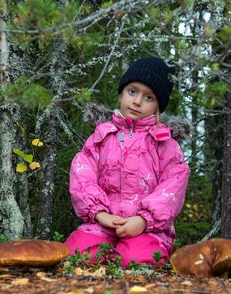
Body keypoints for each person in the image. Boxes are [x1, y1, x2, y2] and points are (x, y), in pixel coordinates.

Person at [65, 57, 190, 267]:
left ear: (159, 106)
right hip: (102, 223)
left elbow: (173, 187)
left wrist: (143, 221)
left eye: (148, 97)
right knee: (78, 255)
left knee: (136, 261)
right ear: (122, 92)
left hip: (148, 229)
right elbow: (82, 175)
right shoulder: (102, 137)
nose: (137, 101)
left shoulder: (165, 144)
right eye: (132, 91)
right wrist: (100, 214)